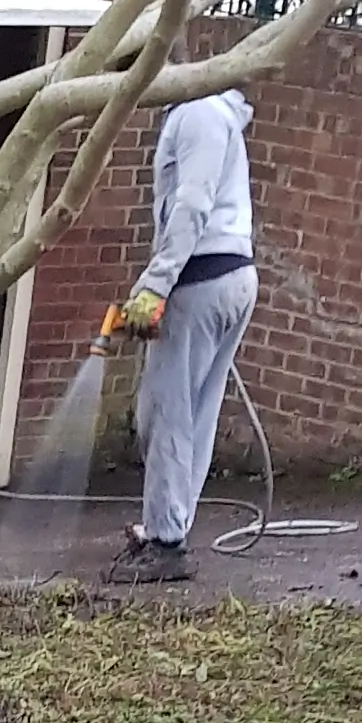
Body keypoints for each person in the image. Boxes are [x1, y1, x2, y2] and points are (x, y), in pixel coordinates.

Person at [101, 89, 258, 585]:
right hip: (223, 276)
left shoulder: (197, 113)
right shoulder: (204, 113)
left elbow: (191, 204)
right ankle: (167, 531)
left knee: (166, 415)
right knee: (189, 414)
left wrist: (155, 285)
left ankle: (166, 545)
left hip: (202, 278)